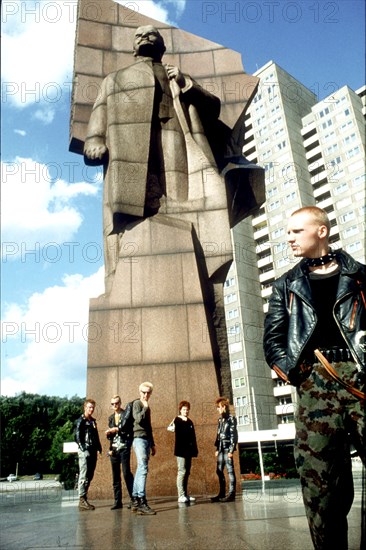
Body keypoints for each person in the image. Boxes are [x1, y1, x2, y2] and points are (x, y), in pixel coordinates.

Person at [263, 206, 366, 550]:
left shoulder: (361, 276)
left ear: (321, 231)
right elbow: (273, 341)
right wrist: (296, 374)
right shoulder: (285, 286)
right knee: (320, 485)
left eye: (296, 231)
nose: (289, 238)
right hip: (314, 386)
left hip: (361, 379)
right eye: (288, 232)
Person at [130, 382, 156, 515]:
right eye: (144, 392)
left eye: (148, 392)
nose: (146, 395)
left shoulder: (148, 407)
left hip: (146, 440)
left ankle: (135, 500)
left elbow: (149, 426)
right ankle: (142, 500)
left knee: (141, 468)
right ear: (140, 392)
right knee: (143, 468)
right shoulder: (137, 404)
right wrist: (145, 407)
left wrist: (152, 444)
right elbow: (138, 419)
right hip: (138, 439)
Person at [105, 395, 134, 510]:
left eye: (116, 403)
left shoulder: (125, 414)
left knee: (127, 473)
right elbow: (111, 437)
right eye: (112, 404)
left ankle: (133, 499)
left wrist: (117, 430)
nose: (115, 406)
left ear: (120, 403)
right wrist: (109, 437)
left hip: (124, 447)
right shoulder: (111, 418)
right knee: (115, 476)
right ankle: (118, 501)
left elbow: (128, 430)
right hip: (114, 449)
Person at [74, 399, 102, 511]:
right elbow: (77, 436)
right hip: (84, 450)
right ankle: (81, 498)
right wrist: (83, 448)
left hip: (93, 450)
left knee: (90, 475)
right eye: (89, 407)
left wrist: (99, 447)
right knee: (84, 474)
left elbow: (95, 435)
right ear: (85, 407)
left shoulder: (93, 421)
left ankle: (84, 497)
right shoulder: (80, 420)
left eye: (93, 407)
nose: (91, 409)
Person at [169, 400, 198, 503]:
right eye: (184, 409)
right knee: (182, 471)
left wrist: (195, 450)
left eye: (187, 409)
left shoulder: (190, 422)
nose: (186, 411)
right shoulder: (177, 419)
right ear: (180, 410)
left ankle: (185, 494)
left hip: (189, 451)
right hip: (181, 450)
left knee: (187, 472)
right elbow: (171, 428)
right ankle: (180, 495)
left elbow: (193, 437)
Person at [211, 397, 238, 503]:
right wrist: (217, 448)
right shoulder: (220, 420)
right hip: (221, 448)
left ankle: (232, 494)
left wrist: (231, 450)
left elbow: (233, 435)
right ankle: (222, 493)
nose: (217, 409)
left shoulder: (231, 419)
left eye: (219, 407)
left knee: (230, 471)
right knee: (219, 470)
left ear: (224, 407)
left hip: (228, 448)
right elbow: (218, 435)